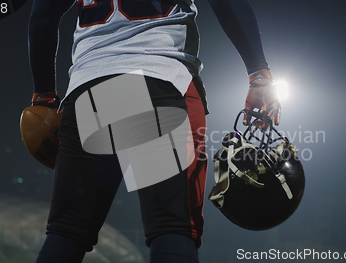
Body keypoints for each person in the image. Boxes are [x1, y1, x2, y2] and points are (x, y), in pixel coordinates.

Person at [28, 0, 280, 262]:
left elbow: (42, 16)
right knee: (172, 228)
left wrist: (44, 96)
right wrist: (258, 73)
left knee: (66, 233)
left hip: (89, 90)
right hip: (160, 76)